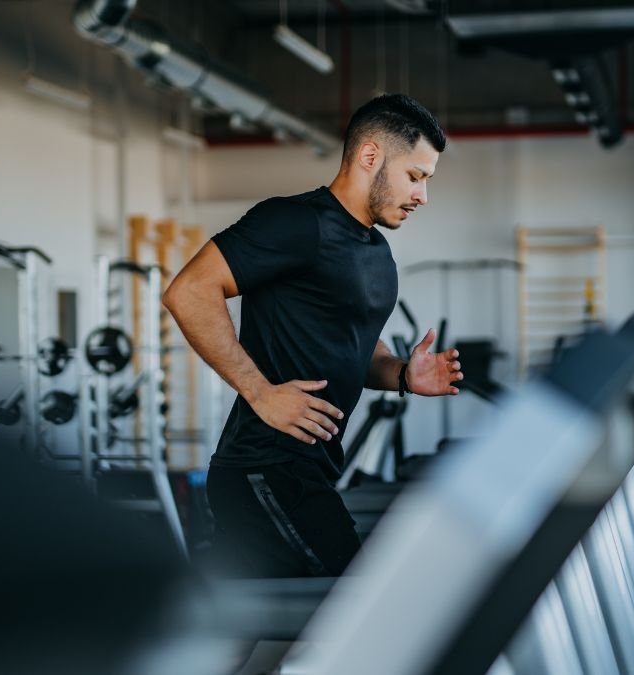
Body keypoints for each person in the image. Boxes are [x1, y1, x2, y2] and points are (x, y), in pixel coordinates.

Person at [162, 93, 462, 578]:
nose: (422, 196)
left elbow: (355, 351)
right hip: (269, 466)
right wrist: (259, 392)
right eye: (415, 176)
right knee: (354, 607)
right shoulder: (296, 222)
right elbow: (190, 291)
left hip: (302, 466)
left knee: (238, 630)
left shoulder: (376, 252)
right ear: (371, 156)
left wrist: (402, 373)